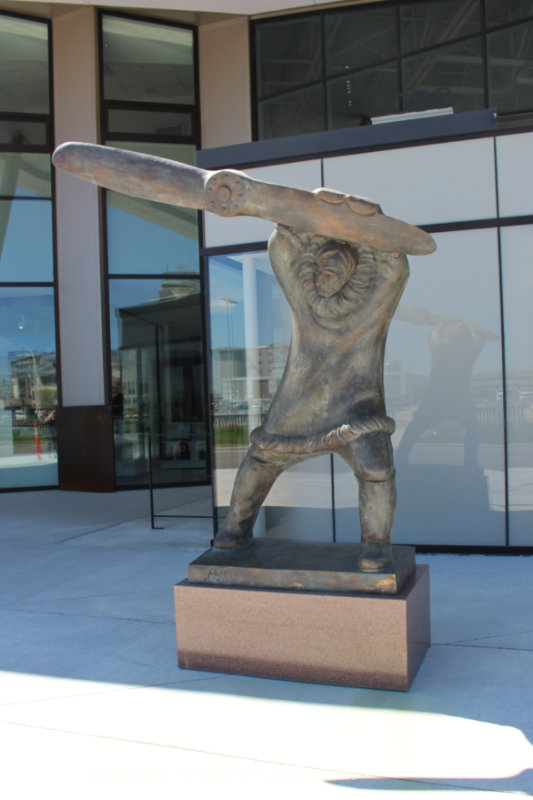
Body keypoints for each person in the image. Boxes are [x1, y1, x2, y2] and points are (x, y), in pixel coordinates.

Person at [213, 222, 410, 572]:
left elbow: (395, 266)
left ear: (351, 276)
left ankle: (376, 542)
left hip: (357, 409)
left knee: (377, 468)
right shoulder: (303, 299)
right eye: (318, 269)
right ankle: (234, 527)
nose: (321, 278)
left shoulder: (372, 307)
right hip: (296, 408)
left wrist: (364, 223)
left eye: (331, 272)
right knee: (258, 463)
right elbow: (281, 250)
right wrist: (301, 222)